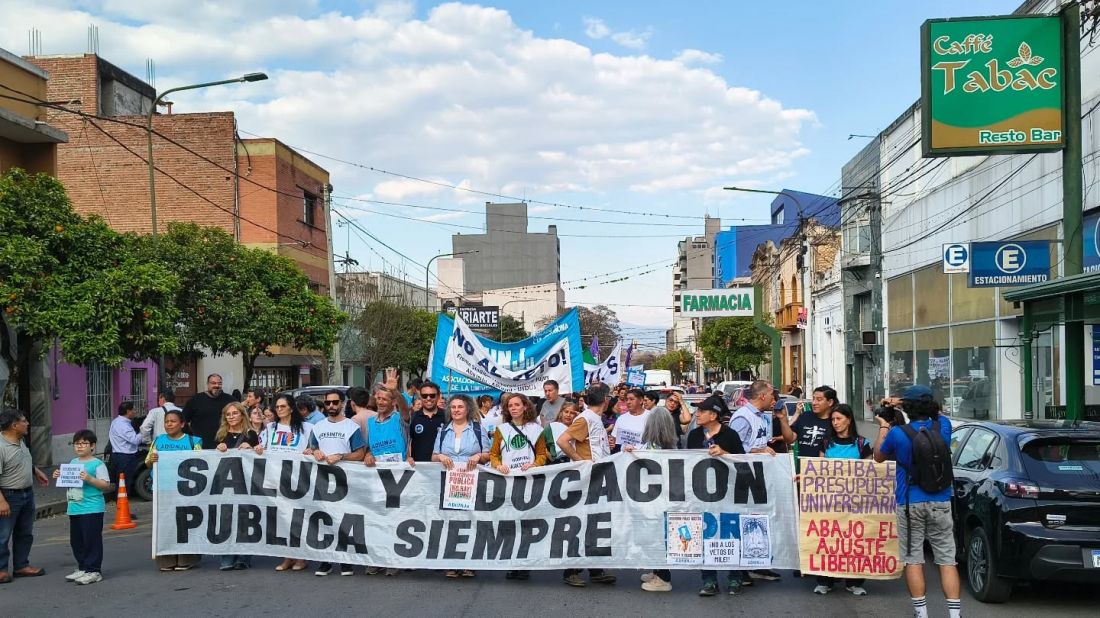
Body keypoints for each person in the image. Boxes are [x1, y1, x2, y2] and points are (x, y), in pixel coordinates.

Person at [874, 385, 961, 618]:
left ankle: (922, 613)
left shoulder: (898, 433)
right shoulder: (943, 427)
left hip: (909, 502)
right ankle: (955, 615)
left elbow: (878, 456)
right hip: (941, 500)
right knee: (947, 560)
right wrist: (903, 402)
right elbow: (939, 414)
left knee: (913, 559)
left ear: (907, 408)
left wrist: (884, 424)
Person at [556, 384, 617, 588]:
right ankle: (571, 570)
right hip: (587, 479)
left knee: (594, 524)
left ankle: (595, 569)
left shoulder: (594, 419)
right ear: (605, 399)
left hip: (598, 478)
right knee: (582, 524)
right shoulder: (585, 419)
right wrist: (581, 461)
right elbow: (563, 441)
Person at [686, 398, 747, 597]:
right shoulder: (694, 435)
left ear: (713, 415)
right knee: (705, 534)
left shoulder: (730, 435)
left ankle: (735, 577)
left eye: (701, 411)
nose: (697, 414)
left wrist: (725, 453)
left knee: (731, 535)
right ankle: (709, 580)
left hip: (728, 493)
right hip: (702, 494)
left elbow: (744, 463)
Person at [813, 404, 872, 596]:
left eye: (838, 419)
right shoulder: (826, 442)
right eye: (832, 419)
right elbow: (819, 470)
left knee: (854, 542)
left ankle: (854, 581)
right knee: (827, 541)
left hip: (855, 503)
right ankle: (825, 580)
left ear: (849, 420)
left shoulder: (862, 444)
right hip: (829, 503)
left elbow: (870, 473)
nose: (835, 423)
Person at [306, 390, 365, 577]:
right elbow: (310, 448)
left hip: (346, 481)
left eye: (335, 402)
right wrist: (314, 451)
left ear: (343, 403)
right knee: (324, 519)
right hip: (323, 480)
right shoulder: (318, 427)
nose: (331, 406)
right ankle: (326, 561)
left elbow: (360, 454)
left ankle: (345, 560)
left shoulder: (351, 427)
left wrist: (341, 456)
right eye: (328, 402)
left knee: (344, 520)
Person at [489, 393, 548, 581]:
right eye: (510, 406)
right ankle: (512, 562)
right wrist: (498, 465)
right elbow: (493, 454)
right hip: (508, 482)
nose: (513, 408)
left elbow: (542, 455)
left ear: (525, 407)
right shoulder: (502, 430)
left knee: (526, 523)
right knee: (510, 522)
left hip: (528, 482)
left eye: (517, 404)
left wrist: (534, 464)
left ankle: (524, 563)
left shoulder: (536, 430)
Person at [432, 394, 490, 579]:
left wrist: (478, 456)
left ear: (468, 410)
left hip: (471, 483)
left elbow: (488, 454)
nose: (456, 410)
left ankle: (469, 563)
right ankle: (451, 562)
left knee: (470, 521)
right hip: (449, 484)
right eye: (453, 407)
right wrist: (440, 457)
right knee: (450, 522)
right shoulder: (443, 431)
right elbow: (433, 456)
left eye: (460, 407)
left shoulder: (477, 429)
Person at [255, 394, 314, 572]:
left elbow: (314, 447)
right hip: (276, 478)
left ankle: (302, 557)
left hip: (298, 479)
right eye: (277, 407)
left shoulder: (307, 428)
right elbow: (262, 447)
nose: (279, 409)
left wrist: (311, 450)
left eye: (283, 406)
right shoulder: (270, 428)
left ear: (291, 408)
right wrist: (258, 448)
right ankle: (288, 556)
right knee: (282, 519)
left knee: (299, 518)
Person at [362, 383, 413, 576]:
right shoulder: (371, 422)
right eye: (379, 398)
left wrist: (395, 391)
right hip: (377, 477)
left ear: (392, 402)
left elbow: (405, 408)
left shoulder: (400, 418)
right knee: (377, 518)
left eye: (385, 398)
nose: (381, 402)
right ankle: (378, 559)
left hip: (399, 477)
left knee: (396, 519)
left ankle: (395, 559)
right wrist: (368, 455)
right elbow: (368, 448)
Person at [146, 410, 203, 571]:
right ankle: (166, 560)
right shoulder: (158, 440)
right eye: (166, 422)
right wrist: (151, 459)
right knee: (165, 524)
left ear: (182, 424)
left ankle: (187, 559)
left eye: (173, 421)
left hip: (187, 489)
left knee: (185, 523)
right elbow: (148, 462)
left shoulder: (193, 441)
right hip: (163, 489)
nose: (169, 424)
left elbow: (201, 462)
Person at [53, 429, 112, 585]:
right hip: (74, 507)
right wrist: (59, 475)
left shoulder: (97, 464)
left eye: (84, 443)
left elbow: (106, 485)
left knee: (91, 539)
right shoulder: (73, 462)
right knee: (76, 540)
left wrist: (89, 478)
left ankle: (94, 570)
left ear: (92, 446)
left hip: (92, 507)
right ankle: (83, 567)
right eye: (77, 443)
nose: (79, 446)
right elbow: (69, 481)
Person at [0, 409, 50, 584]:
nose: (27, 423)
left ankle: (21, 565)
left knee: (25, 533)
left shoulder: (20, 440)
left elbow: (21, 459)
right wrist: (1, 502)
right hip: (8, 495)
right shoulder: (1, 446)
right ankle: (1, 570)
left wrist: (36, 471)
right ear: (14, 425)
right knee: (2, 535)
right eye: (24, 421)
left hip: (27, 493)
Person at [214, 402, 261, 571]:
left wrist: (252, 448)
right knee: (226, 518)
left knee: (244, 519)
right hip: (226, 484)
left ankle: (243, 556)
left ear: (242, 415)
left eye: (235, 413)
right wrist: (218, 449)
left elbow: (259, 455)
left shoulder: (251, 434)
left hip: (245, 482)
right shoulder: (221, 435)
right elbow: (212, 460)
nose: (231, 417)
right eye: (228, 414)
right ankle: (227, 556)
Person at [781, 385, 837, 460]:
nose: (814, 403)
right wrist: (783, 419)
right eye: (813, 399)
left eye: (819, 399)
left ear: (830, 402)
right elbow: (790, 439)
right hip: (803, 464)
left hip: (825, 465)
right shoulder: (805, 416)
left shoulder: (835, 422)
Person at [181, 374, 235, 448]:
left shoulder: (230, 400)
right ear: (207, 384)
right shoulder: (195, 400)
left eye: (219, 383)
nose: (217, 385)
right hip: (200, 446)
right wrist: (191, 438)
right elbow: (183, 421)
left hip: (225, 445)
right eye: (213, 383)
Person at [108, 401, 143, 489]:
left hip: (118, 455)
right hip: (125, 456)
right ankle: (123, 497)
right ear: (128, 411)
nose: (135, 412)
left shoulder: (116, 421)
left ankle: (120, 496)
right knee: (124, 482)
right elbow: (135, 440)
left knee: (121, 481)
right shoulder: (123, 425)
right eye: (133, 410)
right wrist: (143, 431)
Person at [409, 381, 446, 464]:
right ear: (420, 397)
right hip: (419, 467)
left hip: (441, 466)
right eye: (424, 396)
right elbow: (408, 440)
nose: (428, 398)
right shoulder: (413, 417)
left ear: (438, 396)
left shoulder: (447, 416)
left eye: (432, 395)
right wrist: (408, 456)